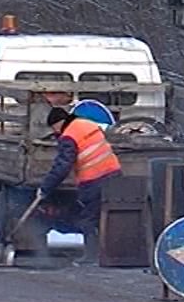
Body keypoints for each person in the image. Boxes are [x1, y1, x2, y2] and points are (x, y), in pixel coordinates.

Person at [38, 106, 122, 265]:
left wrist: (46, 188)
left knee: (88, 219)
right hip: (113, 172)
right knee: (111, 216)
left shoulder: (69, 136)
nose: (56, 132)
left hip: (94, 179)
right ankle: (114, 252)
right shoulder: (86, 124)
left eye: (55, 128)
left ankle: (91, 256)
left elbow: (62, 166)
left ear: (59, 123)